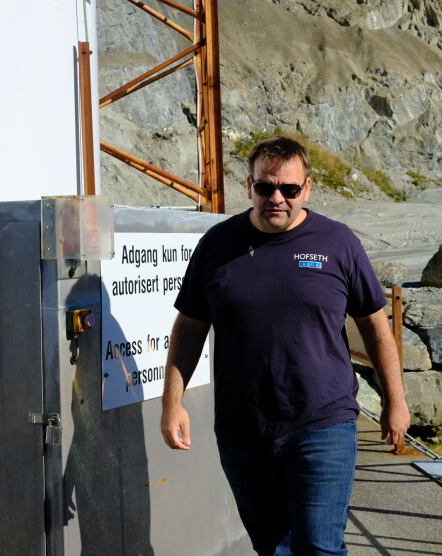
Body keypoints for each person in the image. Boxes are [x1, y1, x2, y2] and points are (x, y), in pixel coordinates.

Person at [160, 134, 410, 556]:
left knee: (319, 547)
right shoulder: (217, 245)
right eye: (265, 187)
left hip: (322, 423)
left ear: (306, 188)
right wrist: (173, 401)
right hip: (243, 429)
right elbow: (189, 326)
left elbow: (375, 325)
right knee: (272, 548)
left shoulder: (338, 243)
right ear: (249, 186)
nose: (277, 197)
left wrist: (395, 399)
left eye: (289, 189)